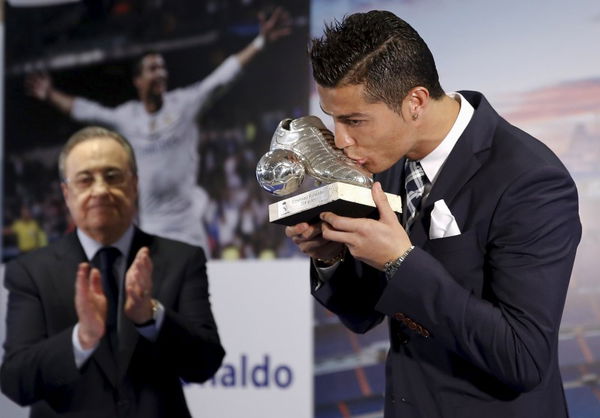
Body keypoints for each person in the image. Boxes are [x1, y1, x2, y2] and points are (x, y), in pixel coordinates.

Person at [286, 10, 581, 418]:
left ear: (415, 103)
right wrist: (331, 257)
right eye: (333, 119)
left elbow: (523, 358)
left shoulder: (531, 180)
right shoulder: (384, 159)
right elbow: (364, 314)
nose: (340, 140)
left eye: (354, 120)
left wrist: (400, 262)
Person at [25, 7, 292, 254]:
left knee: (196, 301)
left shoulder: (184, 105)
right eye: (153, 69)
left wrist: (260, 42)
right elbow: (86, 110)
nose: (161, 73)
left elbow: (221, 78)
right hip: (153, 228)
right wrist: (50, 94)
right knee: (156, 301)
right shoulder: (126, 118)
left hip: (189, 226)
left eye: (163, 67)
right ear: (138, 81)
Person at [1, 126, 224, 417]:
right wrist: (81, 338)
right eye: (85, 179)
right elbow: (17, 382)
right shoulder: (29, 272)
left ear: (134, 185)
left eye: (112, 176)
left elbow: (204, 363)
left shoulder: (181, 259)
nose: (100, 190)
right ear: (66, 194)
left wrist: (150, 316)